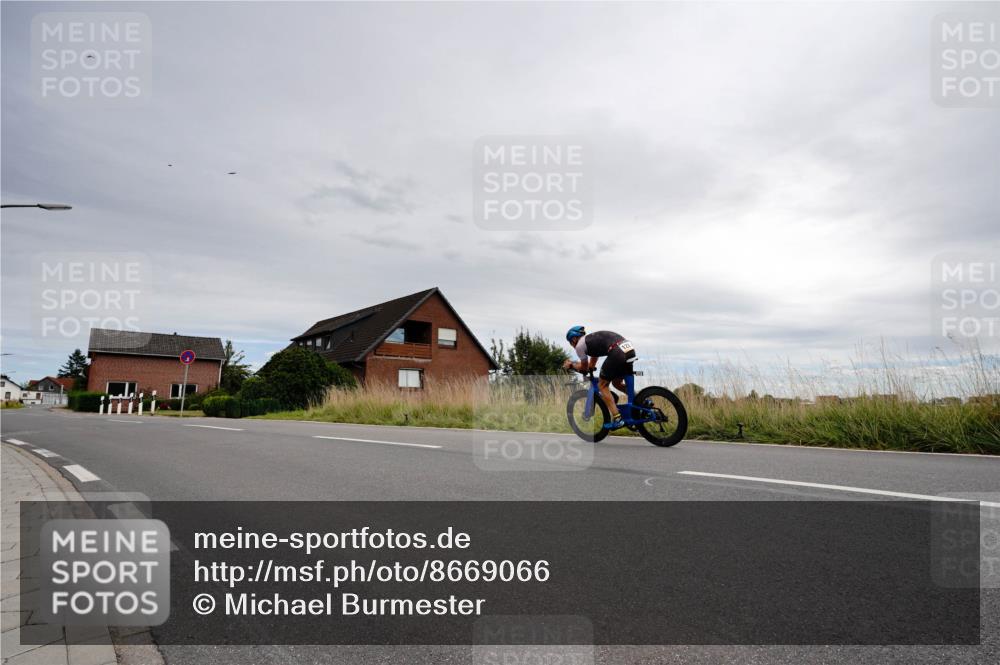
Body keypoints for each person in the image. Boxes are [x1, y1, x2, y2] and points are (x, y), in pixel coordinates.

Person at [562, 326, 636, 429]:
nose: (572, 345)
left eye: (570, 342)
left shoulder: (579, 346)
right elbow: (591, 365)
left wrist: (571, 365)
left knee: (602, 385)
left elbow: (584, 368)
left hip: (617, 352)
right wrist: (588, 367)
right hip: (629, 350)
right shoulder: (591, 342)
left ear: (574, 339)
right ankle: (642, 401)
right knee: (617, 383)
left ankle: (618, 419)